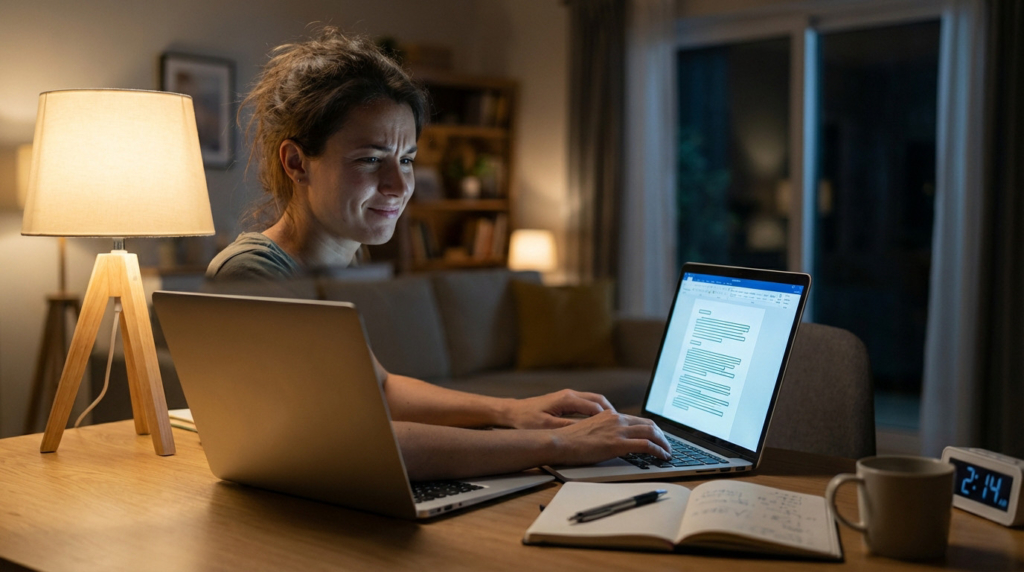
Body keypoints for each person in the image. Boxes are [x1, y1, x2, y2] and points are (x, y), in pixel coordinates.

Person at [206, 27, 670, 481]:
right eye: (370, 159)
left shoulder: (333, 268)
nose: (399, 185)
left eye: (406, 159)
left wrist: (514, 411)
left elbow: (379, 388)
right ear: (296, 162)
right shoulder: (252, 275)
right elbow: (356, 442)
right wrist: (561, 444)